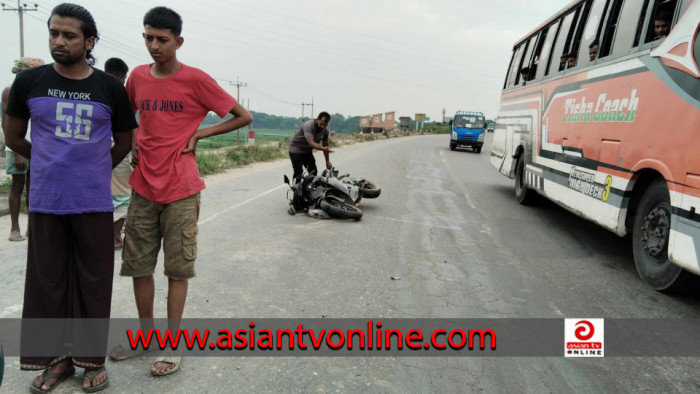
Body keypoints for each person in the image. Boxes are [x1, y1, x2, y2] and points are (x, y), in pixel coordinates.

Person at [110, 6, 252, 376]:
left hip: (182, 189)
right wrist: (137, 136)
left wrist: (199, 133)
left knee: (177, 269)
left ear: (178, 41)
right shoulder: (138, 77)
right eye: (148, 38)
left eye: (162, 39)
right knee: (139, 266)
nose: (154, 46)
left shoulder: (196, 80)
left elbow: (242, 116)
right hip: (143, 187)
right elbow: (129, 116)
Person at [3, 3, 136, 392]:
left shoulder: (109, 87)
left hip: (94, 201)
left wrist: (92, 169)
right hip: (46, 200)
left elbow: (124, 140)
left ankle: (91, 360)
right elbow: (12, 137)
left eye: (69, 35)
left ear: (88, 41)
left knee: (94, 280)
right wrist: (48, 162)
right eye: (54, 33)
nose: (59, 41)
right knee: (47, 283)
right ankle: (55, 362)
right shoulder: (31, 83)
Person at [1, 57, 44, 241]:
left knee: (33, 188)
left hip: (34, 147)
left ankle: (31, 228)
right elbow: (6, 125)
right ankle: (14, 228)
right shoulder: (10, 91)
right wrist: (18, 153)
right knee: (17, 186)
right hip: (16, 147)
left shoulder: (36, 91)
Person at [104, 57, 131, 249]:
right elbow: (130, 128)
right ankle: (114, 238)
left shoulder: (94, 88)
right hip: (118, 151)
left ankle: (106, 236)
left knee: (105, 194)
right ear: (122, 76)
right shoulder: (119, 93)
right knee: (122, 195)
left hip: (96, 152)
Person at [288, 112, 333, 182]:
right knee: (298, 172)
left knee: (313, 172)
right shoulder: (308, 125)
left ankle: (307, 189)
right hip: (296, 149)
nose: (323, 127)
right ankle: (296, 190)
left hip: (307, 151)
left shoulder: (325, 131)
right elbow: (311, 142)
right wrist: (322, 148)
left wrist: (327, 161)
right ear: (317, 119)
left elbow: (325, 146)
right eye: (321, 124)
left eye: (325, 125)